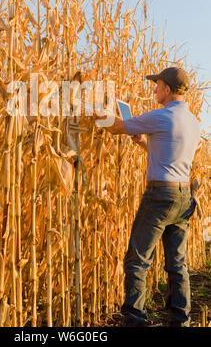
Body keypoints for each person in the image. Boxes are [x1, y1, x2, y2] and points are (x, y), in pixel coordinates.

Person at [104, 67, 201, 327]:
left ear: (168, 89)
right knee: (177, 263)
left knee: (137, 260)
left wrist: (91, 114)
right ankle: (180, 321)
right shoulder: (192, 121)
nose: (154, 89)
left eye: (157, 85)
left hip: (160, 196)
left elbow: (115, 127)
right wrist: (142, 143)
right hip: (183, 197)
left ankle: (135, 320)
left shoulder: (161, 116)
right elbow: (168, 155)